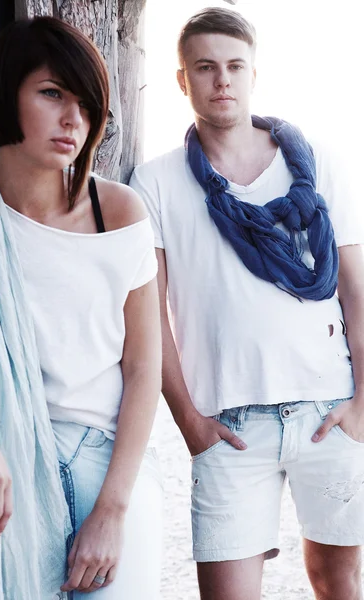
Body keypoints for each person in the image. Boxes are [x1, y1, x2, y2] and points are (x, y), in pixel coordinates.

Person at [130, 7, 364, 600]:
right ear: (182, 79)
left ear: (255, 73)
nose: (222, 80)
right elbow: (150, 319)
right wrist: (188, 421)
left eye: (235, 66)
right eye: (205, 67)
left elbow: (356, 292)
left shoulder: (317, 165)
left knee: (338, 581)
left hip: (327, 412)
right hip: (228, 426)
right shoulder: (153, 182)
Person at [0, 16, 162, 600]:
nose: (73, 119)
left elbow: (143, 368)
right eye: (52, 94)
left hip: (103, 455)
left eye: (86, 102)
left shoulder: (120, 211)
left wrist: (113, 510)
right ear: (7, 95)